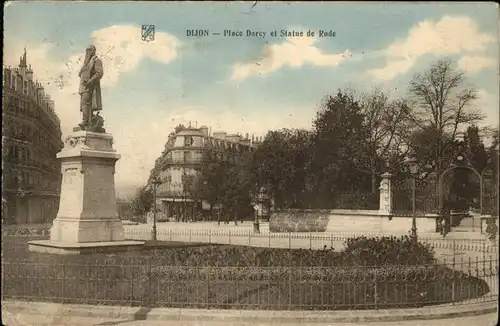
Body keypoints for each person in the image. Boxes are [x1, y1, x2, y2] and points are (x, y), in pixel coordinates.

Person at [78, 45, 104, 129]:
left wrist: (90, 81)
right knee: (84, 104)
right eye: (86, 50)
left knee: (86, 102)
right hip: (84, 86)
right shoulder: (86, 63)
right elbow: (80, 73)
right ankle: (88, 121)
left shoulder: (96, 60)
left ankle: (85, 121)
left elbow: (99, 73)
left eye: (89, 50)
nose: (87, 52)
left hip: (91, 86)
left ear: (94, 51)